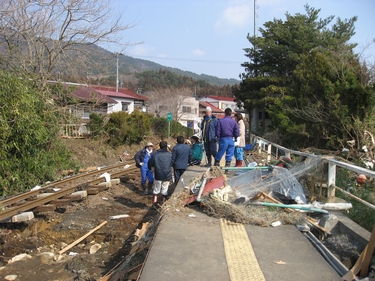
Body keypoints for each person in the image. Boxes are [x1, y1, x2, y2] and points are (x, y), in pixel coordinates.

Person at [148, 141, 172, 205]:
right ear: (166, 146)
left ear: (160, 146)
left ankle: (155, 202)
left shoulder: (156, 155)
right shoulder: (170, 155)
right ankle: (163, 203)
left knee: (156, 189)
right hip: (167, 174)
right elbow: (172, 163)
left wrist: (151, 168)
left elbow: (150, 163)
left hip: (158, 174)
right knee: (165, 189)